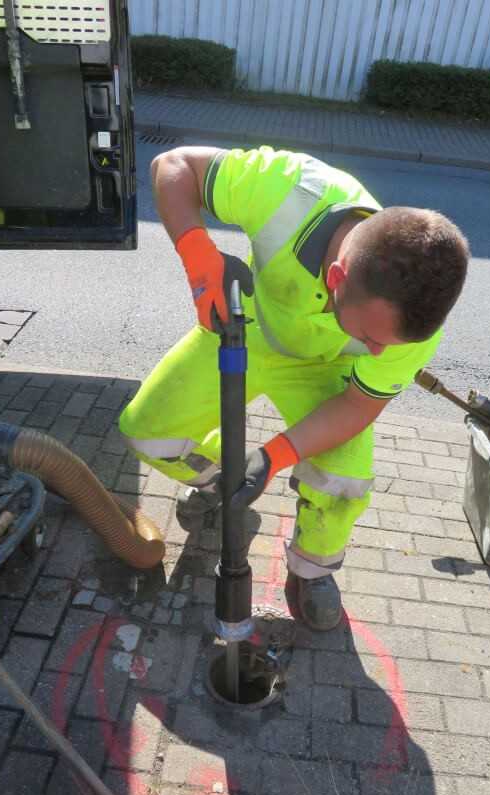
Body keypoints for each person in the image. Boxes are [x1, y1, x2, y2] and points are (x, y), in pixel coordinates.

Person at [119, 145, 469, 632]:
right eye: (369, 336)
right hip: (247, 330)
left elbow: (357, 406)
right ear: (336, 279)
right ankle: (223, 485)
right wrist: (199, 259)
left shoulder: (411, 328)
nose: (375, 353)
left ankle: (311, 571)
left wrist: (274, 456)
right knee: (146, 432)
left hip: (323, 368)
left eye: (385, 344)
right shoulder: (289, 189)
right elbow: (173, 166)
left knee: (344, 478)